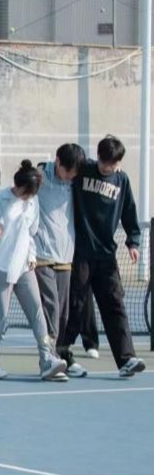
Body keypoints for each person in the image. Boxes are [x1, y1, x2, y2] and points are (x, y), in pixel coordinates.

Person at [57, 135, 146, 377]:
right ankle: (61, 354)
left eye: (114, 163)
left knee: (115, 305)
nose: (109, 167)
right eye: (105, 162)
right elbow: (61, 165)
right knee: (76, 306)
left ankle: (126, 359)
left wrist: (133, 241)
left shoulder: (122, 180)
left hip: (107, 255)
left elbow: (129, 212)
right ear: (97, 157)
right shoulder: (83, 169)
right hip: (80, 253)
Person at [0, 160, 69, 381]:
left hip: (24, 265)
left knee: (37, 312)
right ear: (18, 186)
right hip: (1, 265)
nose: (28, 197)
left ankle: (47, 359)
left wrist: (31, 256)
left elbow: (31, 231)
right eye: (26, 193)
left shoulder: (33, 201)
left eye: (32, 194)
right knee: (0, 317)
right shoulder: (1, 199)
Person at [35, 143, 86, 376]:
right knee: (51, 308)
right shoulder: (39, 177)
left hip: (65, 255)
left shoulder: (75, 180)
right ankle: (48, 359)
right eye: (67, 172)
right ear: (57, 161)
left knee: (64, 313)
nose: (69, 177)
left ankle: (59, 355)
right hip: (42, 255)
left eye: (74, 174)